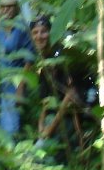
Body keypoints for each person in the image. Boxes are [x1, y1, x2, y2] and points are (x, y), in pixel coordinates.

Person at [33, 16, 97, 157]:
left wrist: (49, 130)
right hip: (59, 111)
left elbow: (71, 95)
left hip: (79, 109)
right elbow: (46, 100)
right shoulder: (44, 63)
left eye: (43, 32)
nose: (39, 36)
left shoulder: (63, 56)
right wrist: (41, 128)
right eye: (35, 32)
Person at [0, 0, 34, 137]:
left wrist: (20, 88)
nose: (6, 10)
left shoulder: (22, 27)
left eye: (9, 6)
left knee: (10, 125)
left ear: (15, 7)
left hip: (14, 81)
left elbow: (29, 59)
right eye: (3, 7)